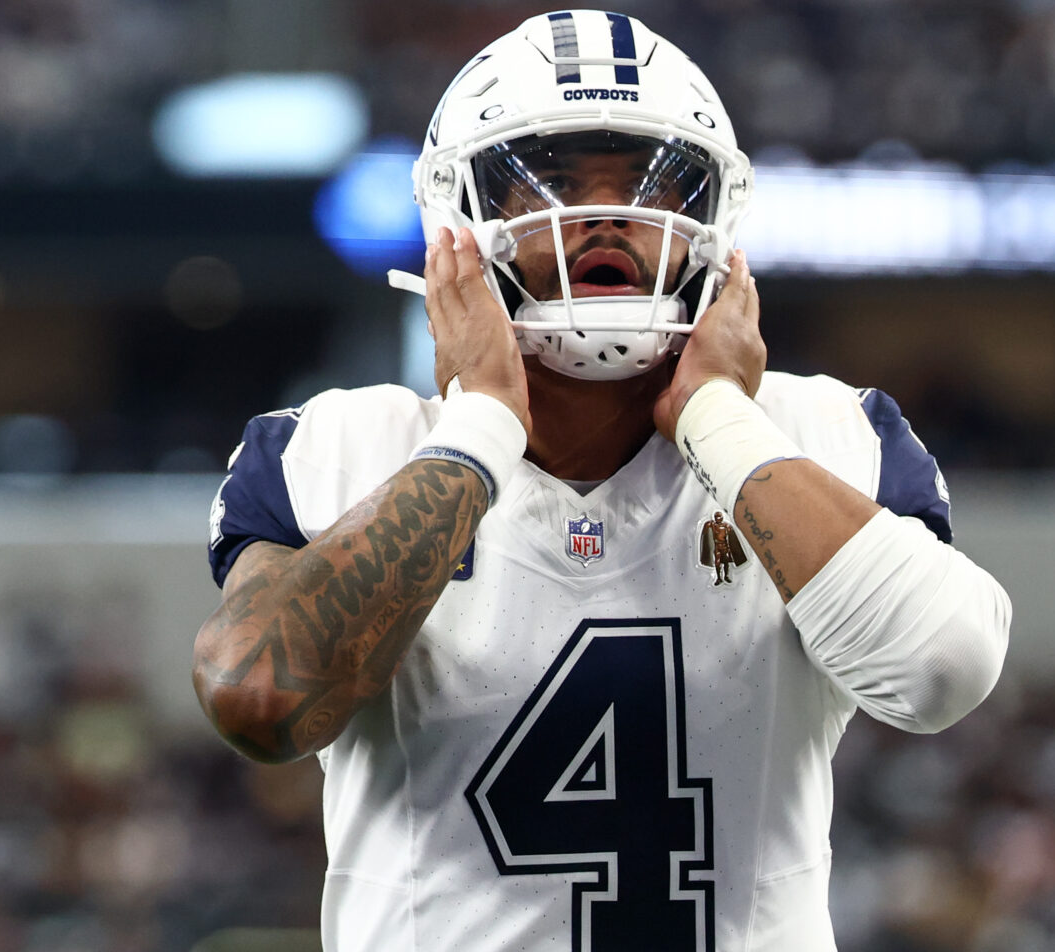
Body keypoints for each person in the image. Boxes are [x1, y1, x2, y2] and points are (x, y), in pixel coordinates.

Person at [192, 10, 1011, 952]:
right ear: (455, 222)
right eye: (554, 179)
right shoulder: (339, 443)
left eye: (651, 180)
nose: (608, 213)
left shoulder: (822, 432)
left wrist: (716, 422)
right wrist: (480, 429)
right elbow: (261, 702)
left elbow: (943, 671)